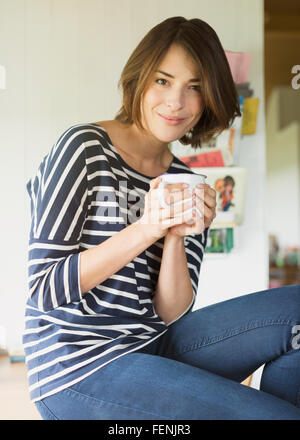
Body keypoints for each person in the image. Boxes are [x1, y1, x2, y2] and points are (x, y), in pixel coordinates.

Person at [24, 16, 300, 420]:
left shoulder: (186, 180)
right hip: (78, 367)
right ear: (139, 80)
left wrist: (175, 235)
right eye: (163, 81)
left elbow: (170, 312)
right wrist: (147, 227)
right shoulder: (82, 149)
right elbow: (44, 288)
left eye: (196, 88)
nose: (176, 102)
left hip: (155, 344)